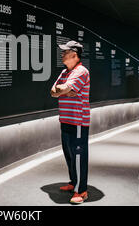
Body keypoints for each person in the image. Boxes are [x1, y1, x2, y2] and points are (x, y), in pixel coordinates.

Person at [50, 40, 90, 204]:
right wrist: (64, 90)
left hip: (78, 121)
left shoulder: (81, 71)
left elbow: (62, 89)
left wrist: (63, 89)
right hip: (65, 119)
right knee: (69, 154)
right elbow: (53, 91)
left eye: (65, 52)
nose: (62, 54)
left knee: (79, 155)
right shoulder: (65, 72)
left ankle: (81, 191)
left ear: (74, 54)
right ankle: (74, 182)